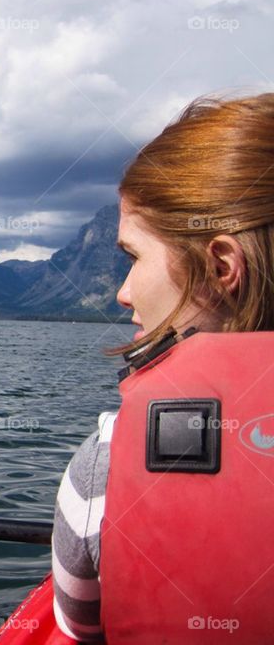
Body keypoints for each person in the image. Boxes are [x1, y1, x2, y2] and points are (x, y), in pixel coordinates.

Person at [51, 93, 274, 643]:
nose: (123, 292)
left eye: (133, 257)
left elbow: (78, 624)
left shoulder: (107, 460)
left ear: (220, 267)